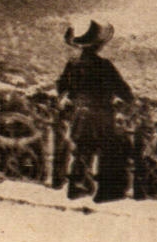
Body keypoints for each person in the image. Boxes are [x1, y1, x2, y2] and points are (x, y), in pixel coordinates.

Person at [56, 20, 133, 203]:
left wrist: (70, 100)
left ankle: (75, 189)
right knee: (107, 151)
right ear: (98, 45)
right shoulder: (104, 66)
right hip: (101, 116)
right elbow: (124, 91)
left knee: (81, 152)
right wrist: (126, 101)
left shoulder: (72, 64)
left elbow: (61, 87)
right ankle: (103, 193)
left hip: (79, 116)